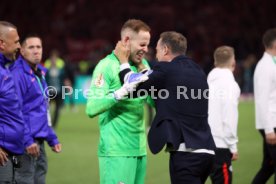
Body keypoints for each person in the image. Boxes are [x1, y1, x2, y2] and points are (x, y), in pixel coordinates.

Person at [116, 31, 215, 184]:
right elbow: (164, 88)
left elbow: (131, 84)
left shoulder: (166, 70)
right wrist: (144, 69)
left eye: (157, 49)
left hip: (186, 154)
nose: (155, 55)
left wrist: (123, 61)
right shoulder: (197, 70)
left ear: (166, 50)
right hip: (207, 151)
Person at [85, 19, 153, 184]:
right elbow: (91, 108)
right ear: (127, 41)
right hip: (116, 152)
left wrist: (152, 79)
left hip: (140, 150)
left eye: (147, 45)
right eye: (142, 45)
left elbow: (153, 101)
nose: (146, 50)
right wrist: (121, 92)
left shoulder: (142, 64)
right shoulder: (106, 66)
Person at [9, 35, 62, 184]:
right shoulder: (18, 75)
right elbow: (14, 111)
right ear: (22, 52)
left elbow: (42, 110)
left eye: (39, 47)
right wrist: (27, 140)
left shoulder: (39, 74)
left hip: (38, 142)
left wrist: (51, 138)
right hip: (25, 143)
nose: (36, 51)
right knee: (23, 180)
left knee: (38, 180)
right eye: (31, 47)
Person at [207, 46, 240, 184]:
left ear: (215, 63)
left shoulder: (206, 82)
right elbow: (229, 118)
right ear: (233, 63)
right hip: (220, 146)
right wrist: (233, 146)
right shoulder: (230, 85)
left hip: (203, 143)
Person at [0, 21, 25, 183]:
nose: (19, 47)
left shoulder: (6, 70)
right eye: (16, 42)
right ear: (2, 43)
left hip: (12, 151)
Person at [253, 28, 276, 184]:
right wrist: (269, 130)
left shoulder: (271, 63)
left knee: (269, 166)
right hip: (271, 124)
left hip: (272, 122)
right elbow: (262, 99)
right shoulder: (265, 67)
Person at [45, 49, 65, 128]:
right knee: (46, 108)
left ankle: (54, 124)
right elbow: (44, 79)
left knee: (57, 109)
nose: (53, 60)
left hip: (58, 91)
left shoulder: (60, 70)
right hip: (49, 91)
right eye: (52, 59)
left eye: (55, 59)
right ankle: (47, 122)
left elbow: (63, 79)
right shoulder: (47, 69)